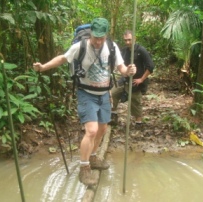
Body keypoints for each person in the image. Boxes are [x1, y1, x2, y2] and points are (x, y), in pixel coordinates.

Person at [33, 18, 136, 186]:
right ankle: (84, 167)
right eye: (95, 38)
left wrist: (129, 71)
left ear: (106, 35)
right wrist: (43, 67)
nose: (98, 41)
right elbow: (61, 59)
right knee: (92, 131)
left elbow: (121, 68)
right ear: (91, 35)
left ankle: (93, 157)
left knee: (103, 128)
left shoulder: (111, 46)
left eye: (101, 38)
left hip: (104, 94)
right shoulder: (80, 47)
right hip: (86, 94)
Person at [111, 30, 154, 125]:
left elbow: (150, 66)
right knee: (113, 93)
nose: (127, 42)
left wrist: (142, 79)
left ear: (134, 39)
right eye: (125, 40)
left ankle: (138, 122)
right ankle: (113, 115)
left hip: (136, 81)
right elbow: (120, 64)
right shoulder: (124, 51)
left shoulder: (141, 50)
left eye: (129, 40)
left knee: (135, 101)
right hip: (125, 78)